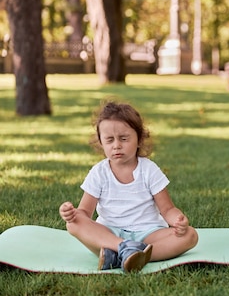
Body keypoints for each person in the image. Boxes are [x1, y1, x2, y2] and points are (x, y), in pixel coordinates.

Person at [59, 101, 199, 272]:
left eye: (124, 139)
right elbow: (84, 213)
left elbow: (167, 209)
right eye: (109, 140)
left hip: (148, 234)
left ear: (139, 139)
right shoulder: (99, 172)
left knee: (190, 235)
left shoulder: (148, 170)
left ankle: (126, 255)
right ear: (101, 143)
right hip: (108, 234)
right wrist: (70, 214)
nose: (116, 145)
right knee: (73, 224)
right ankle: (125, 249)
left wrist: (178, 220)